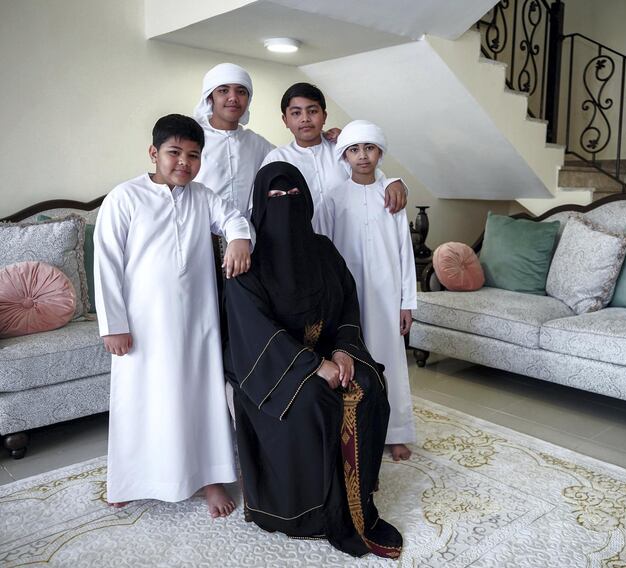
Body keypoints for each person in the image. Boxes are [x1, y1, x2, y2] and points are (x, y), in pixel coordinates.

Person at [223, 161, 402, 559]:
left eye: (293, 196)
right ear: (260, 206)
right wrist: (311, 366)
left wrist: (342, 350)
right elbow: (251, 330)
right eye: (275, 197)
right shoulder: (248, 259)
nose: (285, 203)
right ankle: (309, 512)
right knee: (312, 401)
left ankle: (357, 498)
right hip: (269, 364)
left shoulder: (322, 249)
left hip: (327, 352)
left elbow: (346, 307)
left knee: (370, 386)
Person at [93, 114, 253, 517]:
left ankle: (210, 478)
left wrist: (237, 240)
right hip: (143, 325)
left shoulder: (203, 196)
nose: (184, 161)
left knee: (202, 398)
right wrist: (114, 325)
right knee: (141, 401)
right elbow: (107, 263)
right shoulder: (124, 197)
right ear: (154, 153)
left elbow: (234, 218)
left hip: (197, 322)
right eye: (174, 152)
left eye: (193, 155)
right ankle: (129, 478)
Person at [325, 120, 417, 461]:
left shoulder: (392, 195)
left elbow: (404, 251)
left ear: (380, 152)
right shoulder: (334, 197)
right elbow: (327, 249)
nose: (362, 156)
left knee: (389, 358)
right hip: (346, 295)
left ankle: (396, 431)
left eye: (369, 148)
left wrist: (407, 302)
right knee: (350, 357)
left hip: (386, 293)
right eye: (354, 149)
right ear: (344, 156)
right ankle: (352, 428)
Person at [261, 82, 407, 236]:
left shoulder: (342, 151)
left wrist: (391, 184)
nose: (305, 119)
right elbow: (263, 207)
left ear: (324, 116)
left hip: (350, 238)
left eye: (312, 111)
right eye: (296, 113)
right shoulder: (277, 160)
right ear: (285, 120)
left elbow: (371, 180)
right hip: (299, 244)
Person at [193, 63, 275, 215]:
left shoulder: (258, 144)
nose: (233, 98)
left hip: (246, 234)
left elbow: (293, 158)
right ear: (210, 97)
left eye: (241, 91)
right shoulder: (192, 138)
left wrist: (324, 137)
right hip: (201, 232)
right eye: (223, 91)